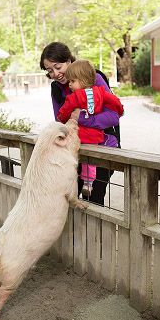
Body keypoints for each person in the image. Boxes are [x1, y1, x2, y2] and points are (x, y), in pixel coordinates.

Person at [40, 42, 121, 205]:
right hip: (75, 149)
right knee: (72, 196)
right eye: (50, 70)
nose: (55, 74)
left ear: (69, 60)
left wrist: (82, 119)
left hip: (103, 145)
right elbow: (59, 120)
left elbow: (113, 116)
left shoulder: (93, 78)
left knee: (94, 198)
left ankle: (96, 231)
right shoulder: (56, 88)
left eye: (58, 66)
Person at [56, 59, 124, 197]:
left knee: (87, 162)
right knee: (106, 142)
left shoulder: (74, 97)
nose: (69, 85)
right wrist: (120, 109)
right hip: (97, 135)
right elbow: (114, 101)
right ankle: (88, 183)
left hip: (82, 137)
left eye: (72, 81)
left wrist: (62, 118)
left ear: (82, 80)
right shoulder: (100, 92)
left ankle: (87, 183)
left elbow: (64, 112)